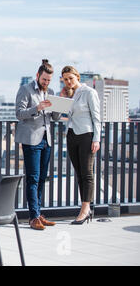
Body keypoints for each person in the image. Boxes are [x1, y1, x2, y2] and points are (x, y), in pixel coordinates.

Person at [15, 59, 61, 230]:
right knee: (33, 179)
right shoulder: (25, 89)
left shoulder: (51, 92)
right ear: (37, 76)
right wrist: (37, 108)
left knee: (42, 178)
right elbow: (19, 113)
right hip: (31, 140)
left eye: (49, 80)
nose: (46, 83)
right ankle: (33, 217)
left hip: (46, 139)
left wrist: (58, 107)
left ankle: (39, 214)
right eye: (44, 80)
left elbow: (55, 118)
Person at [60, 66, 101, 224]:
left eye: (71, 78)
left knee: (87, 173)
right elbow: (62, 115)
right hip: (71, 135)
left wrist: (96, 138)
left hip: (86, 135)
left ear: (77, 76)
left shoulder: (89, 92)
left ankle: (85, 209)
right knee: (79, 173)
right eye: (65, 79)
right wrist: (62, 99)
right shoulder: (69, 94)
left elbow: (96, 117)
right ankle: (85, 207)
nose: (68, 81)